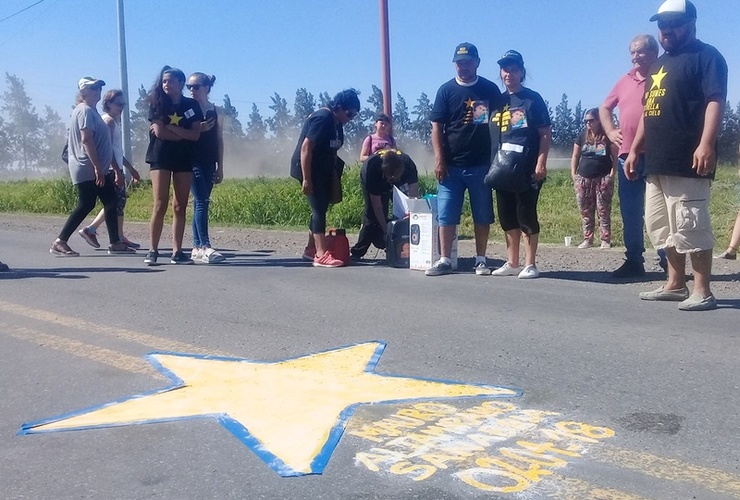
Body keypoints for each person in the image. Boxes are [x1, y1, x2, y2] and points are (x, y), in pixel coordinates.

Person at [625, 0, 728, 311]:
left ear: (692, 22)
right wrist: (634, 149)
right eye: (662, 24)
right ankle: (675, 284)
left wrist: (706, 143)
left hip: (689, 158)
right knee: (662, 226)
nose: (667, 30)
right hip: (656, 159)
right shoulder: (658, 65)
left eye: (674, 23)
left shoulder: (707, 57)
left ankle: (702, 290)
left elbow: (715, 100)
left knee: (690, 225)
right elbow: (647, 111)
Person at [426, 42, 501, 276]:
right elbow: (436, 127)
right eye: (459, 63)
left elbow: (501, 122)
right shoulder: (445, 90)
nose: (463, 67)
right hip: (451, 167)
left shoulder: (489, 89)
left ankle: (480, 259)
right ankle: (445, 260)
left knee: (482, 213)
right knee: (447, 214)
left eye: (468, 62)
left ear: (477, 63)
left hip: (480, 165)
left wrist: (498, 156)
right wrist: (439, 159)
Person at [600, 34, 662, 278]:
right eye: (632, 52)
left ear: (653, 53)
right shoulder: (624, 80)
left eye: (641, 52)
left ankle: (669, 261)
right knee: (631, 211)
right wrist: (610, 130)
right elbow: (605, 107)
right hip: (627, 156)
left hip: (658, 154)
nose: (635, 57)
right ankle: (634, 260)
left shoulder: (662, 76)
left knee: (660, 211)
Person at [50, 77, 132, 256]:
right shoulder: (84, 111)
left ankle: (116, 243)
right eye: (93, 88)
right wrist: (96, 167)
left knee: (111, 201)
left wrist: (116, 170)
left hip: (99, 167)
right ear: (83, 92)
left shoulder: (92, 111)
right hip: (86, 167)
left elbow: (105, 145)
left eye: (99, 88)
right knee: (86, 203)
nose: (97, 91)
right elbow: (87, 139)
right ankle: (60, 241)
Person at [489, 50, 551, 279]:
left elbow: (545, 133)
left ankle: (530, 263)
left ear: (522, 72)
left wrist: (541, 162)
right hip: (500, 167)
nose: (509, 73)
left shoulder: (532, 99)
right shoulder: (497, 101)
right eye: (505, 69)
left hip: (526, 167)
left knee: (526, 215)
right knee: (506, 217)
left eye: (514, 69)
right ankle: (512, 262)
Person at [143, 66, 213, 266]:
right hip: (160, 157)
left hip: (184, 158)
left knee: (180, 205)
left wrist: (172, 128)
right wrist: (180, 133)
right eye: (164, 81)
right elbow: (159, 133)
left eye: (171, 81)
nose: (167, 85)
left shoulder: (191, 105)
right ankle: (153, 250)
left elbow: (195, 135)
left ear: (181, 84)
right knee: (160, 204)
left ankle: (177, 251)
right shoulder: (157, 103)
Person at [290, 89, 360, 268]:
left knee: (321, 207)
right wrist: (306, 179)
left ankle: (309, 249)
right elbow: (306, 148)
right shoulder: (323, 118)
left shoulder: (336, 123)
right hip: (308, 169)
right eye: (349, 113)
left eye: (353, 116)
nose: (350, 118)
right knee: (319, 207)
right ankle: (320, 254)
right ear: (339, 108)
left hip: (323, 170)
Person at [78, 89, 141, 250]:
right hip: (112, 169)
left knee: (117, 203)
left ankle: (116, 236)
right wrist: (116, 171)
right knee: (114, 203)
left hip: (117, 167)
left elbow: (117, 150)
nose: (121, 107)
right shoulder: (108, 122)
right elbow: (108, 150)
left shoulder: (114, 121)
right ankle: (95, 231)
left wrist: (130, 169)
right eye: (118, 104)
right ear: (108, 104)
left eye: (123, 104)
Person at [350, 148, 420, 260]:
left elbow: (414, 194)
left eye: (395, 177)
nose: (392, 179)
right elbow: (377, 206)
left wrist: (411, 213)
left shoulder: (408, 164)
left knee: (406, 212)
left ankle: (402, 244)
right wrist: (386, 231)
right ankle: (359, 250)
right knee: (371, 215)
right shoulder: (372, 168)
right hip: (373, 178)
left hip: (399, 177)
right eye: (390, 178)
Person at [187, 72, 225, 264]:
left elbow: (219, 139)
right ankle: (206, 245)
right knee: (202, 200)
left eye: (196, 86)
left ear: (207, 88)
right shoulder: (187, 107)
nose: (192, 90)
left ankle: (196, 248)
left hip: (209, 161)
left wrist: (221, 167)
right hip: (191, 160)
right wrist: (197, 128)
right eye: (189, 87)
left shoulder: (216, 111)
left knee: (199, 202)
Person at [570, 108, 618, 250]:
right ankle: (587, 239)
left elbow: (615, 158)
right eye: (586, 121)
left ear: (599, 121)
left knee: (603, 210)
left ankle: (605, 239)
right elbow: (575, 156)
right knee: (585, 211)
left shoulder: (607, 137)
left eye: (591, 120)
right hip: (583, 179)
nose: (588, 124)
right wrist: (574, 174)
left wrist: (611, 175)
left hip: (602, 179)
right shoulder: (582, 136)